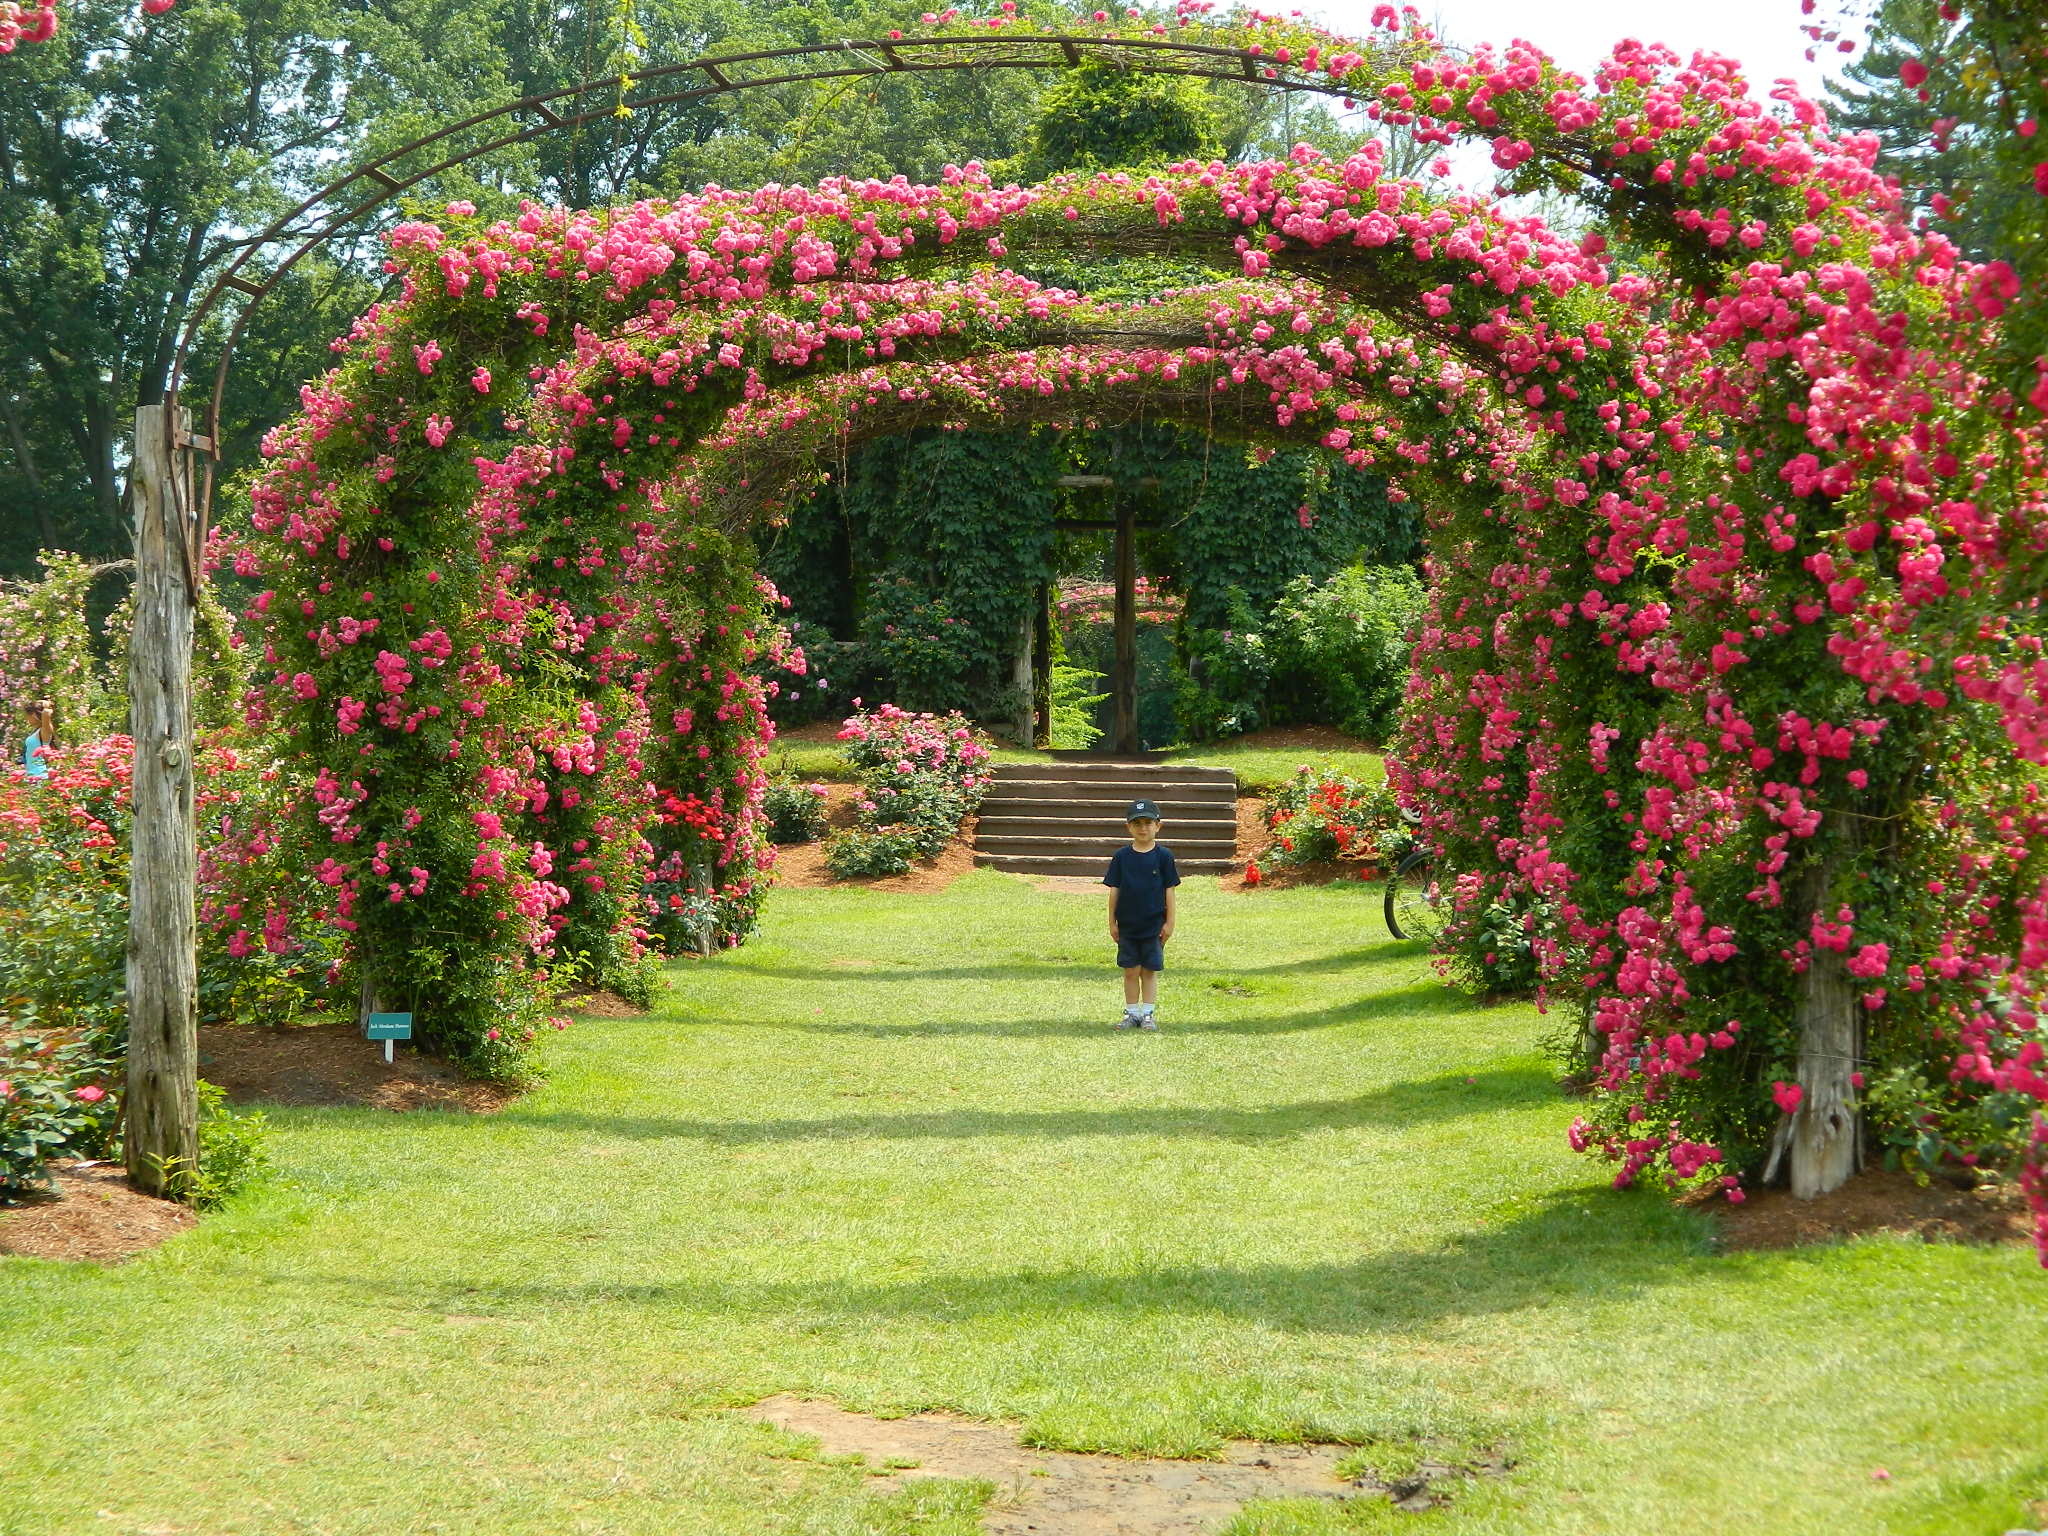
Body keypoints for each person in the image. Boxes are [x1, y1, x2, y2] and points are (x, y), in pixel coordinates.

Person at [1103, 797, 1180, 1030]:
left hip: (1154, 925)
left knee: (1149, 970)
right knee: (1130, 970)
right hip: (1128, 924)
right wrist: (1112, 922)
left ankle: (1147, 1014)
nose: (1143, 828)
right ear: (1129, 827)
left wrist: (1170, 923)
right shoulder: (1121, 857)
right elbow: (1114, 891)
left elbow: (1170, 891)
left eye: (1148, 822)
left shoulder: (1164, 856)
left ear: (1158, 825)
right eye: (1137, 823)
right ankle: (1131, 1013)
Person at [21, 698, 54, 781]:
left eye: (27, 716)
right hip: (31, 775)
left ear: (33, 715)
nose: (26, 719)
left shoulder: (44, 731)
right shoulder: (35, 732)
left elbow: (46, 713)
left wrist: (46, 705)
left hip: (40, 775)